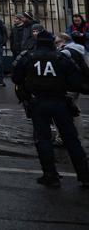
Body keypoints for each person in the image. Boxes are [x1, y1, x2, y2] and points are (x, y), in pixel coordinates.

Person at [12, 30, 89, 188]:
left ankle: (50, 175)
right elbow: (76, 80)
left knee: (43, 139)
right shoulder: (61, 57)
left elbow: (16, 77)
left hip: (38, 102)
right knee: (71, 140)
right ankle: (84, 176)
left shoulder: (28, 57)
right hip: (59, 101)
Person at [56, 32, 88, 139]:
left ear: (62, 40)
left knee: (66, 111)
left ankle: (66, 135)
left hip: (68, 85)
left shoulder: (65, 52)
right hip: (77, 84)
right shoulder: (78, 50)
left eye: (56, 37)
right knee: (74, 108)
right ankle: (77, 133)